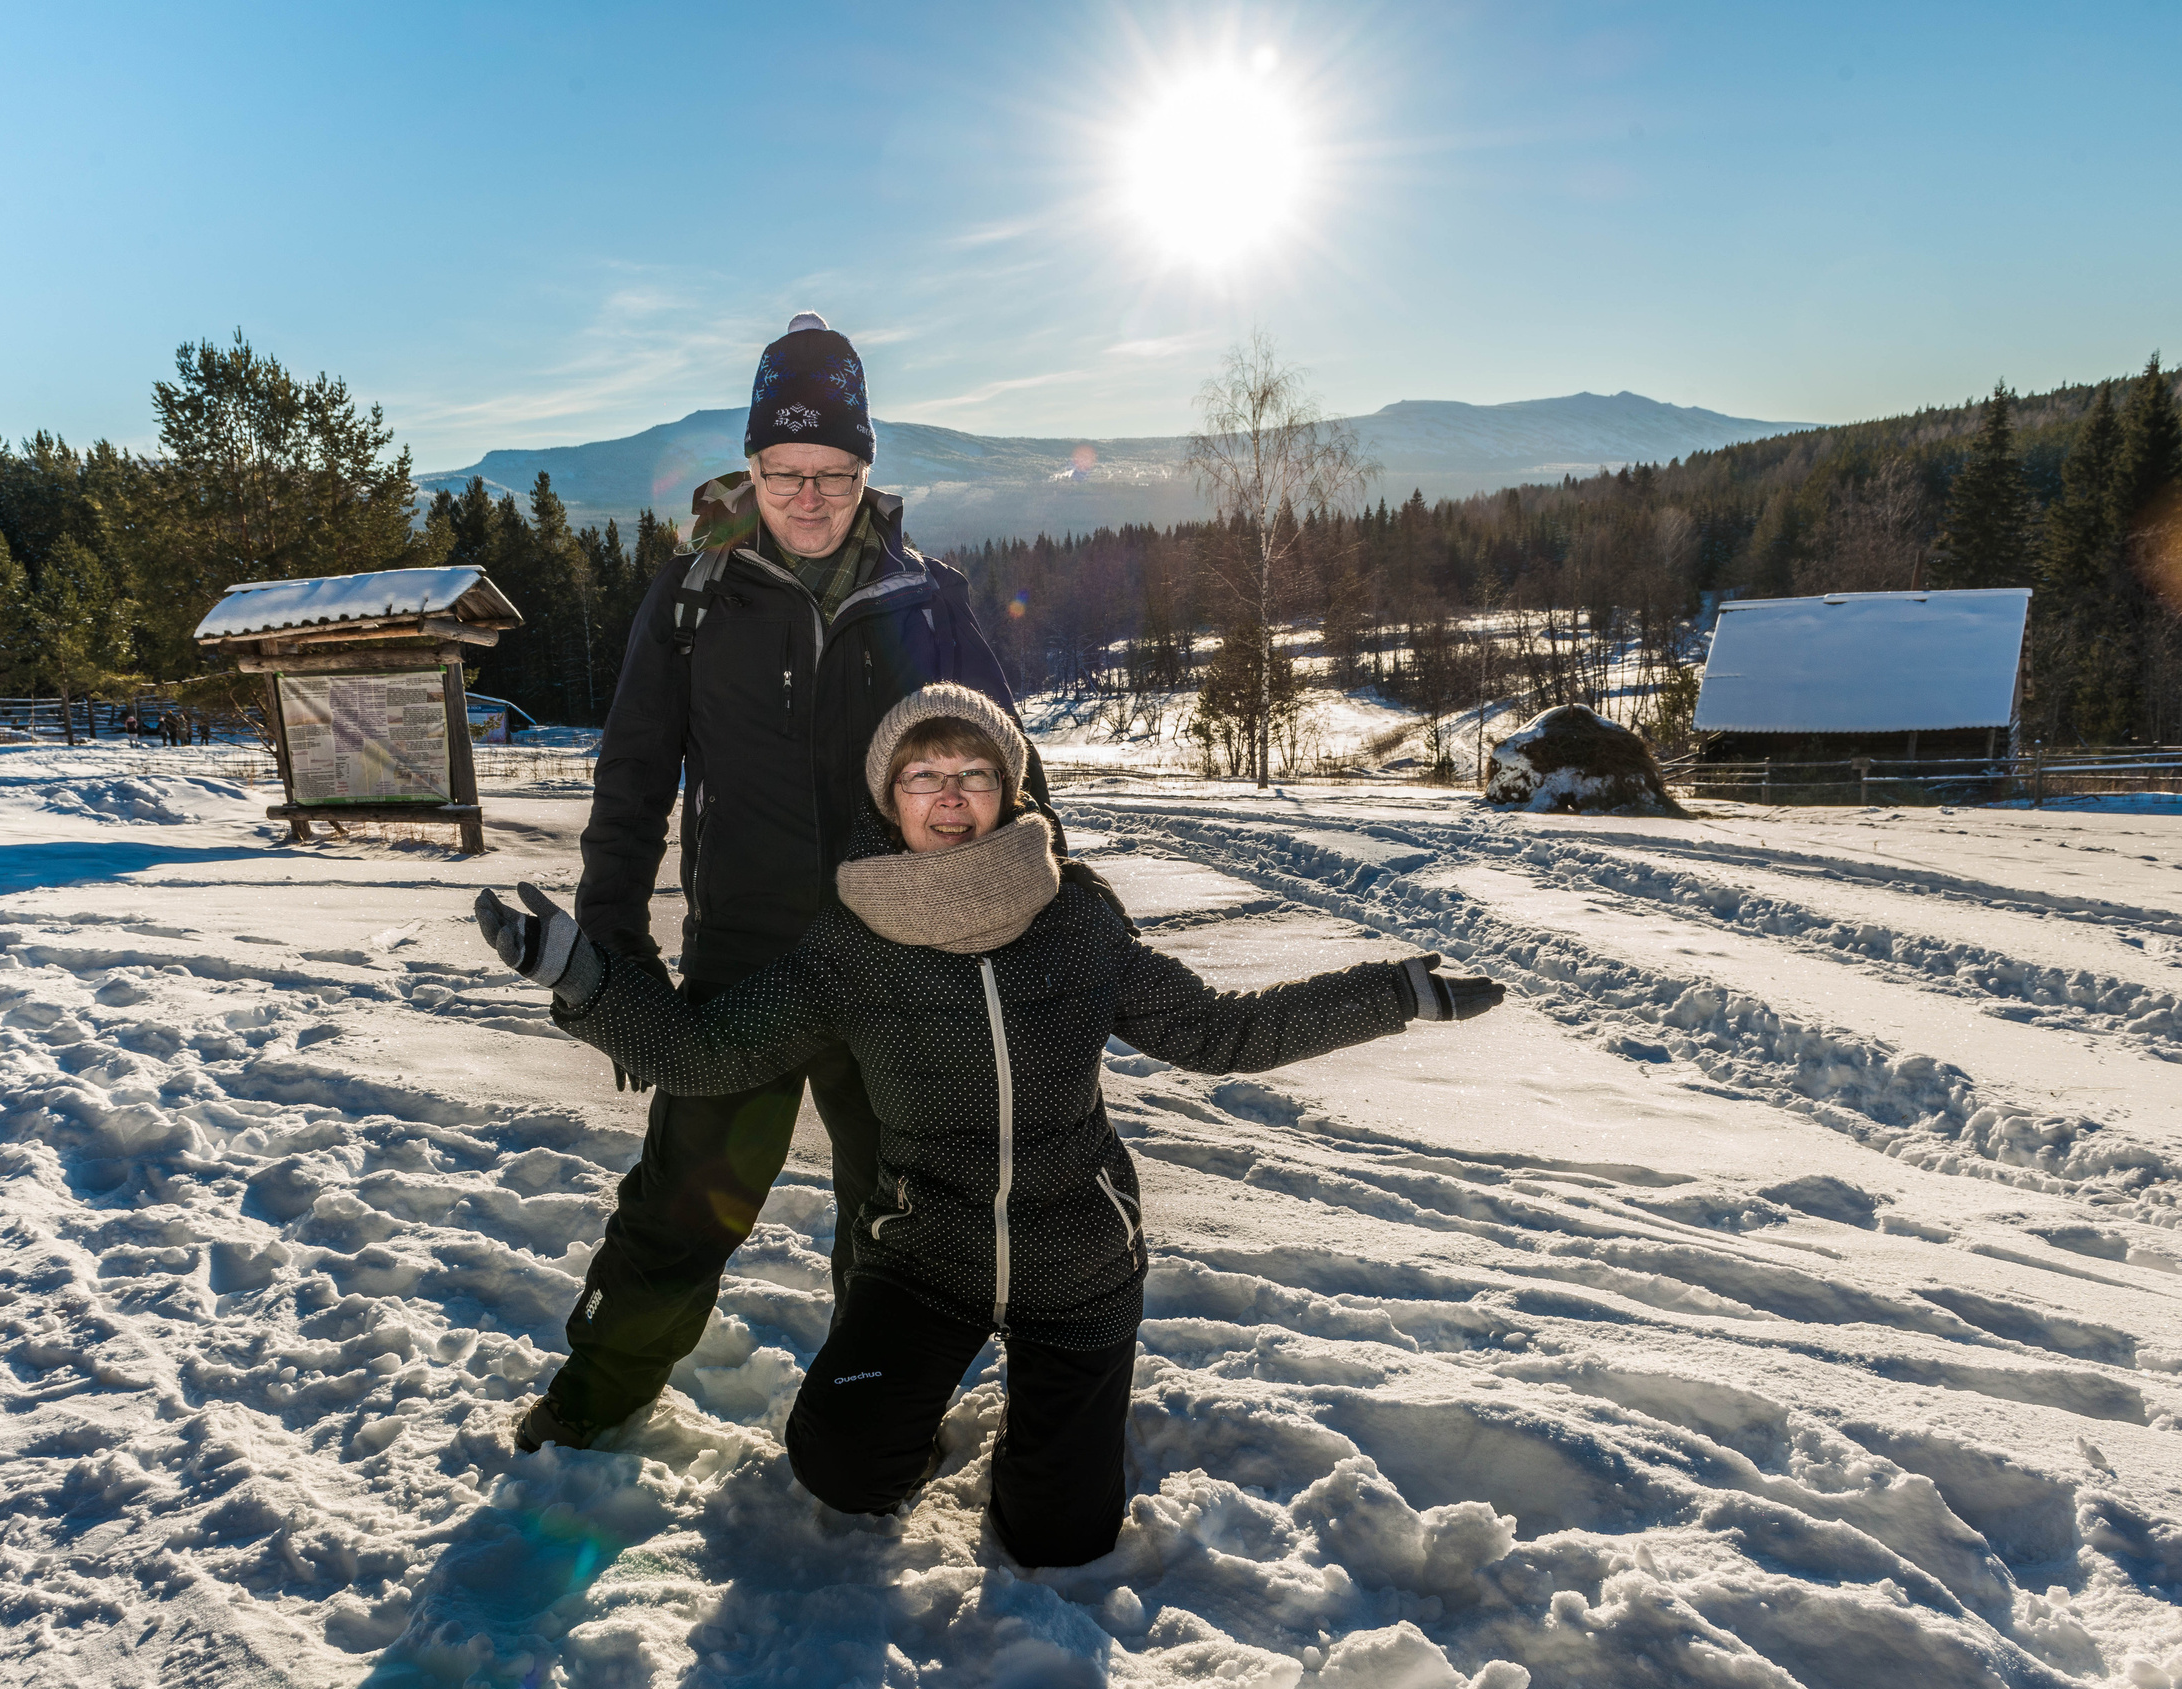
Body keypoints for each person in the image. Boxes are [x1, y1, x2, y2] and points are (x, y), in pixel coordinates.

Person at [476, 686, 1507, 1566]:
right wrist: (582, 977)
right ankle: (936, 1408)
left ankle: (1051, 1425)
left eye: (974, 771)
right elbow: (704, 1055)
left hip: (1078, 1256)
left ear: (1009, 789)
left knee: (1061, 1537)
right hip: (929, 1254)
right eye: (923, 775)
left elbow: (1215, 1032)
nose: (951, 796)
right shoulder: (848, 944)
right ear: (889, 798)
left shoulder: (1077, 917)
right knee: (840, 1467)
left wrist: (1395, 992)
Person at [525, 314, 1038, 1456]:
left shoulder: (929, 601)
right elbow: (632, 782)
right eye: (783, 472)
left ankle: (872, 1420)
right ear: (749, 468)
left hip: (900, 962)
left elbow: (1017, 787)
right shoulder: (696, 595)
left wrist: (1029, 943)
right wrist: (615, 955)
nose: (808, 498)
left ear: (868, 471)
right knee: (680, 1205)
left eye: (834, 474)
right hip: (743, 968)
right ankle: (591, 1405)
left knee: (896, 1221)